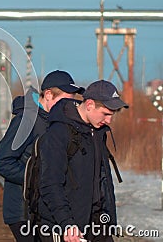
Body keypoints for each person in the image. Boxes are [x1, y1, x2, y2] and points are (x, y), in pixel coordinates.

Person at [0, 70, 84, 242]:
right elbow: (3, 162)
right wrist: (38, 179)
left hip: (45, 208)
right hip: (23, 211)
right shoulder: (26, 120)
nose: (70, 105)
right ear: (48, 95)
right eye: (66, 99)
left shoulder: (56, 122)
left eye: (73, 100)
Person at [36, 80, 128, 242]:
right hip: (67, 226)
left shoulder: (97, 132)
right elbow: (50, 183)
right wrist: (66, 223)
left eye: (111, 115)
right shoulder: (59, 132)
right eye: (106, 114)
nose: (109, 121)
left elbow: (101, 179)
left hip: (97, 222)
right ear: (90, 105)